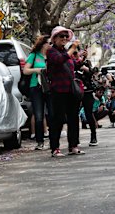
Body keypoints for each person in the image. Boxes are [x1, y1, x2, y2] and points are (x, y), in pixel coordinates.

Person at [47, 26, 84, 157]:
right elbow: (58, 60)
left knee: (73, 118)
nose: (64, 38)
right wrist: (72, 49)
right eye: (61, 36)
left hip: (71, 91)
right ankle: (55, 148)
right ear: (54, 38)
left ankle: (73, 145)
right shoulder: (52, 52)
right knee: (58, 119)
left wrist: (81, 58)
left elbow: (74, 64)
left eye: (65, 36)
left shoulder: (66, 52)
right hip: (58, 90)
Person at [23, 34, 51, 151]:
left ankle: (53, 140)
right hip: (36, 88)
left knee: (52, 114)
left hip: (49, 88)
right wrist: (37, 70)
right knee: (39, 116)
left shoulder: (52, 56)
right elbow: (25, 70)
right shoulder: (34, 56)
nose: (51, 45)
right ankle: (40, 142)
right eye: (49, 43)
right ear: (43, 44)